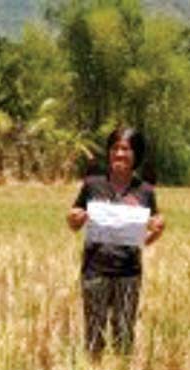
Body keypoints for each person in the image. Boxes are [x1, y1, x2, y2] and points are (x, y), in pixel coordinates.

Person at [66, 127, 165, 357]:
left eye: (126, 149)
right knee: (94, 333)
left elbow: (148, 234)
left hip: (128, 271)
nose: (119, 154)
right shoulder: (93, 185)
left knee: (124, 333)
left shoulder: (145, 191)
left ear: (136, 155)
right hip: (95, 269)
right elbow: (74, 224)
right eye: (115, 148)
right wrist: (73, 218)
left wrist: (156, 230)